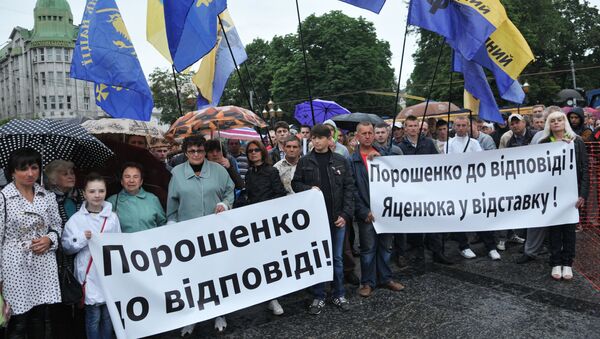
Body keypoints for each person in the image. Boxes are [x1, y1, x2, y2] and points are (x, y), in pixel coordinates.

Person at [166, 135, 234, 333]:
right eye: (192, 151)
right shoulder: (177, 173)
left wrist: (225, 203)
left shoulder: (219, 170)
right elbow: (172, 201)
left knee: (216, 273)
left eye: (200, 150)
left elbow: (230, 191)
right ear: (185, 152)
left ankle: (219, 313)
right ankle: (193, 315)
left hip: (215, 233)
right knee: (192, 276)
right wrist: (171, 220)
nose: (196, 154)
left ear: (205, 151)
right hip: (188, 234)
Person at [292, 124, 355, 314]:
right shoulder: (305, 161)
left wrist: (345, 215)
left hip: (337, 218)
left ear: (329, 139)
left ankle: (339, 293)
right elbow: (296, 183)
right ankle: (318, 296)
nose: (316, 141)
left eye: (320, 137)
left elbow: (349, 189)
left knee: (337, 258)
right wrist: (307, 189)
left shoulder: (340, 160)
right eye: (314, 138)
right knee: (318, 258)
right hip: (315, 220)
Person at [0, 148, 62, 338]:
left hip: (43, 263)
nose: (30, 173)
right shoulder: (3, 198)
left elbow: (58, 226)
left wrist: (49, 239)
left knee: (40, 318)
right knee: (17, 320)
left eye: (34, 167)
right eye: (23, 168)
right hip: (14, 265)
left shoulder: (47, 196)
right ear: (12, 172)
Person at [62, 173, 121, 339]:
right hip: (89, 276)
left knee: (109, 317)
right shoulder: (76, 220)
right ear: (85, 193)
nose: (97, 195)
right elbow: (66, 247)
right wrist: (82, 238)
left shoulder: (112, 218)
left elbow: (119, 243)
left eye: (101, 191)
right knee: (93, 317)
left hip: (108, 274)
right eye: (92, 191)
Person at [350, 122, 405, 297]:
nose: (367, 136)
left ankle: (386, 278)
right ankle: (367, 282)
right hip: (367, 213)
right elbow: (352, 189)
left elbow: (396, 179)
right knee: (368, 249)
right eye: (364, 133)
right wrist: (363, 211)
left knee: (386, 247)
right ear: (357, 137)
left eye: (370, 133)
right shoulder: (352, 160)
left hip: (385, 211)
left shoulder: (385, 155)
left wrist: (381, 158)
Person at [538, 111, 588, 280]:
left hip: (571, 194)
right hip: (552, 194)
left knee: (569, 230)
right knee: (553, 230)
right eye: (553, 121)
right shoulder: (543, 142)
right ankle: (555, 262)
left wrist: (583, 195)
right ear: (549, 125)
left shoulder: (577, 141)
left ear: (565, 122)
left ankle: (567, 263)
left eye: (560, 120)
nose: (557, 123)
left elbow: (585, 170)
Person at [398, 116, 453, 265]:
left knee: (434, 223)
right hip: (411, 192)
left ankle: (437, 252)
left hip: (429, 190)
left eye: (415, 125)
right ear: (405, 128)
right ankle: (418, 252)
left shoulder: (428, 143)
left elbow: (437, 163)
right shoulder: (400, 147)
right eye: (410, 126)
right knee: (415, 224)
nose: (413, 128)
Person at [242, 140, 287, 316]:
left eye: (256, 150)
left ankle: (274, 297)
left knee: (271, 259)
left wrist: (265, 207)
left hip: (269, 221)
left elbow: (280, 194)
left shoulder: (271, 171)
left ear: (262, 152)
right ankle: (268, 296)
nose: (253, 153)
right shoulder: (249, 174)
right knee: (259, 259)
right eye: (250, 151)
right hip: (253, 222)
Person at [446, 117, 501, 261]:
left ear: (469, 127)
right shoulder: (449, 144)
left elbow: (481, 161)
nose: (461, 128)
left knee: (480, 215)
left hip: (473, 185)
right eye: (458, 125)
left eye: (464, 125)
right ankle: (463, 246)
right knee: (459, 216)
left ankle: (491, 247)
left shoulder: (474, 143)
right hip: (456, 186)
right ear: (453, 126)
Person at [44, 160, 86, 339]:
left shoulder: (83, 196)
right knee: (61, 307)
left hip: (83, 255)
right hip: (59, 260)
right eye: (65, 173)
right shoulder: (46, 199)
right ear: (53, 180)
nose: (71, 175)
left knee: (83, 304)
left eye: (71, 172)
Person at [107, 162, 166, 233]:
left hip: (151, 243)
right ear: (122, 181)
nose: (131, 180)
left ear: (141, 181)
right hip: (124, 243)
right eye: (127, 177)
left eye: (135, 177)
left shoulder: (152, 199)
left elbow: (162, 224)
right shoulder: (112, 201)